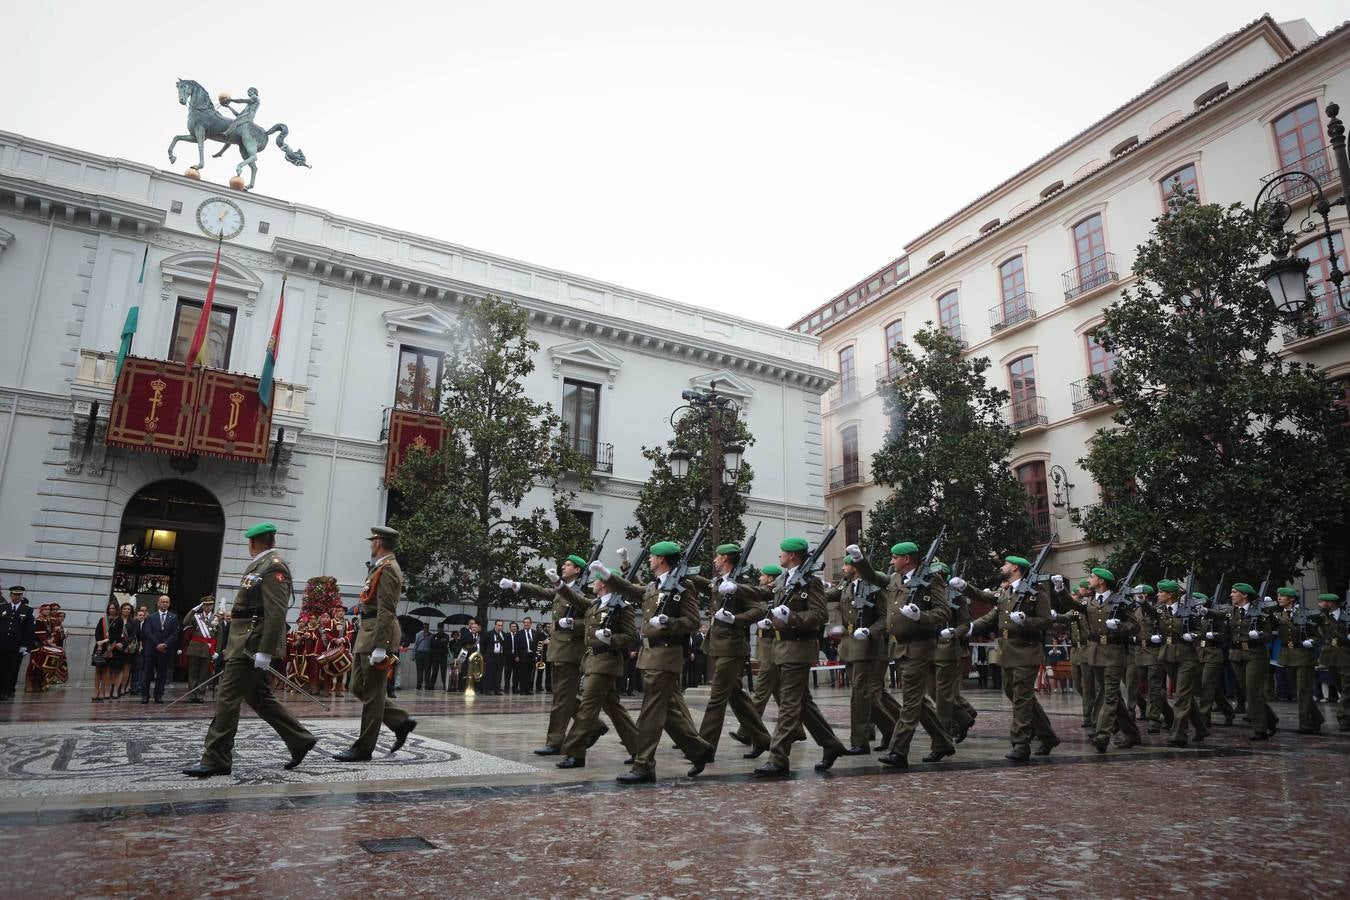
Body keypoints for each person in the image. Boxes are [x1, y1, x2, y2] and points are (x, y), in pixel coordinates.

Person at [183, 523, 318, 778]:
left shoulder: (273, 566)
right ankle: (299, 739)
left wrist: (265, 651)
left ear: (253, 543)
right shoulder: (261, 565)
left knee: (227, 698)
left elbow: (276, 611)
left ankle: (216, 758)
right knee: (259, 698)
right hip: (244, 640)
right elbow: (251, 607)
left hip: (250, 645)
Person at [599, 540, 714, 783]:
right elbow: (633, 591)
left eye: (652, 556)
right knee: (669, 712)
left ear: (661, 559)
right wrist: (608, 575)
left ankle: (644, 766)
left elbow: (693, 621)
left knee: (651, 711)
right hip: (650, 657)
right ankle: (699, 750)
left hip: (666, 657)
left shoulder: (684, 586)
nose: (649, 559)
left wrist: (668, 623)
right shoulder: (655, 585)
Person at [742, 537, 846, 777]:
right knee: (803, 705)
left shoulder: (810, 583)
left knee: (788, 705)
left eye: (783, 552)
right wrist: (735, 587)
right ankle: (832, 745)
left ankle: (778, 758)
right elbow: (762, 591)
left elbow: (819, 615)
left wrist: (791, 617)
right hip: (781, 649)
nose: (779, 555)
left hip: (798, 650)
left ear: (793, 556)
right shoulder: (783, 579)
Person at [849, 541, 954, 769]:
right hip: (901, 647)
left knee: (910, 702)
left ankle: (898, 751)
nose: (891, 561)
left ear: (906, 559)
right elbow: (874, 577)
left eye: (894, 557)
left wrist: (921, 617)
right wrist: (859, 560)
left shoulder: (930, 580)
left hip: (919, 646)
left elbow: (944, 611)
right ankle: (943, 742)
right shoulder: (896, 579)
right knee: (917, 701)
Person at [959, 555, 1059, 762]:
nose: (1002, 567)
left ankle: (1021, 744)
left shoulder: (1036, 592)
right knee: (1015, 693)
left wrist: (1026, 621)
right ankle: (1047, 736)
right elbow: (985, 601)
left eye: (1005, 564)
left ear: (1014, 568)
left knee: (1022, 698)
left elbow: (1046, 622)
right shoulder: (1006, 591)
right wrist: (964, 588)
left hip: (1026, 650)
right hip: (1008, 651)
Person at [334, 526, 417, 761]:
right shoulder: (380, 566)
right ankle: (400, 721)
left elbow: (387, 609)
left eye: (373, 541)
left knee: (371, 694)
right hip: (367, 634)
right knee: (357, 687)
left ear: (378, 542)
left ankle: (363, 748)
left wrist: (381, 646)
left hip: (378, 636)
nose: (371, 544)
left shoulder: (388, 568)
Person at [688, 542, 772, 762]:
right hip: (718, 646)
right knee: (736, 696)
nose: (714, 560)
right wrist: (685, 571)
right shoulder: (720, 581)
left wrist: (736, 619)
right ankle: (761, 738)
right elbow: (707, 585)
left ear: (725, 558)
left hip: (732, 647)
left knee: (717, 697)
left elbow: (759, 609)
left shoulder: (739, 584)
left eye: (717, 556)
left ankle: (703, 748)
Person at [502, 555, 590, 753]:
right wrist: (516, 584)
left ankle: (554, 742)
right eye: (564, 564)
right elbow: (542, 591)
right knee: (563, 696)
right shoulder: (562, 590)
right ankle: (594, 726)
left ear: (578, 570)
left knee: (560, 699)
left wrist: (574, 625)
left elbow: (593, 621)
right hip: (557, 650)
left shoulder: (586, 592)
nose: (563, 566)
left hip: (571, 652)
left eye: (568, 565)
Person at [555, 569, 640, 769]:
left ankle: (575, 753)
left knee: (587, 707)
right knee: (614, 709)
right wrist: (558, 584)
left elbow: (631, 636)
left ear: (604, 584)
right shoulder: (596, 604)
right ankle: (639, 748)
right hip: (593, 661)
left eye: (596, 581)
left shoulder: (622, 607)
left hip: (607, 662)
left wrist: (611, 638)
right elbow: (575, 599)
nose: (592, 584)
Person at [1054, 567, 1140, 752]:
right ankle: (1132, 734)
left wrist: (1119, 626)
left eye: (1092, 577)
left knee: (1109, 696)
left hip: (1115, 653)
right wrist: (1060, 589)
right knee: (1113, 696)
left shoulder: (1120, 602)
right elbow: (1073, 605)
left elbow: (1135, 627)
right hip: (1095, 654)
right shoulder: (1090, 602)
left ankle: (1102, 735)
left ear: (1101, 581)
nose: (1089, 579)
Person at [1218, 582, 1276, 741]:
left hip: (1255, 654)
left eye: (1234, 592)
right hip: (1237, 654)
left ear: (1244, 595)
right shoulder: (1232, 611)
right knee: (1247, 690)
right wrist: (1204, 611)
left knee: (1253, 690)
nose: (1231, 595)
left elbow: (1268, 633)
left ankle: (1260, 729)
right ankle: (1271, 719)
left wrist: (1260, 635)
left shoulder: (1260, 611)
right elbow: (1219, 615)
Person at [1153, 580, 1207, 747]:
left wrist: (1194, 636)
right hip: (1168, 656)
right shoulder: (1160, 610)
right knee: (1185, 696)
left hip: (1187, 657)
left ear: (1170, 594)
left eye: (1161, 592)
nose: (1158, 594)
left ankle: (1178, 734)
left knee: (1181, 696)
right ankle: (1201, 728)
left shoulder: (1188, 611)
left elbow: (1202, 630)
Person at [1274, 587, 1323, 734]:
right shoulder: (1277, 614)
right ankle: (1317, 718)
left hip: (1303, 655)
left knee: (1303, 690)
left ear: (1292, 599)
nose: (1279, 598)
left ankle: (1305, 723)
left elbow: (1317, 636)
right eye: (1279, 596)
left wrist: (1311, 642)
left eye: (1282, 596)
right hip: (1287, 655)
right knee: (1299, 691)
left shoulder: (1305, 613)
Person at [1316, 593, 1349, 731]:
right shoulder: (1321, 617)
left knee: (1347, 688)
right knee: (1340, 687)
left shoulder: (1346, 616)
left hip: (1346, 655)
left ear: (1330, 603)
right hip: (1331, 657)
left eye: (1322, 602)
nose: (1319, 604)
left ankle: (1344, 718)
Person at [140, 594, 180, 705]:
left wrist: (165, 644)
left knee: (162, 675)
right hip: (151, 650)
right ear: (158, 603)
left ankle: (158, 695)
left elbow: (175, 634)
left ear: (169, 604)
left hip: (165, 651)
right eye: (162, 602)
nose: (164, 604)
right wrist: (157, 644)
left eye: (167, 602)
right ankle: (145, 695)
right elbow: (147, 632)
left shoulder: (174, 617)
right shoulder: (150, 617)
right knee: (147, 674)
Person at [0, 586, 36, 701]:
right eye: (15, 595)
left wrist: (25, 646)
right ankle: (2, 690)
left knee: (11, 669)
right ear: (10, 595)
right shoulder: (3, 607)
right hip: (2, 643)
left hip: (16, 645)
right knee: (1, 668)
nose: (17, 597)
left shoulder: (27, 610)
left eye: (19, 595)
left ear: (22, 596)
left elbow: (29, 629)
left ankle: (8, 690)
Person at [180, 597, 219, 702]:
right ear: (202, 606)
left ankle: (200, 696)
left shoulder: (217, 618)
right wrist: (193, 610)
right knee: (193, 674)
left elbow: (219, 636)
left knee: (203, 674)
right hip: (195, 648)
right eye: (206, 605)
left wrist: (217, 651)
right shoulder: (196, 616)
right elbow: (185, 622)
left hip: (208, 649)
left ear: (212, 606)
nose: (208, 607)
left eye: (210, 605)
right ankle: (192, 695)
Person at [91, 598, 121, 701]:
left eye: (113, 608)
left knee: (106, 670)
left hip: (110, 648)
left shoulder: (119, 620)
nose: (111, 610)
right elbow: (97, 632)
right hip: (100, 647)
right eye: (110, 608)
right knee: (98, 669)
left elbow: (116, 636)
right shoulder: (102, 620)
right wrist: (99, 642)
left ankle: (103, 690)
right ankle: (96, 690)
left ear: (116, 609)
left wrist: (104, 641)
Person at [111, 601, 136, 698]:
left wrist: (124, 644)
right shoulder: (116, 620)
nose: (126, 610)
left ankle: (121, 688)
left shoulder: (133, 622)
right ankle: (113, 687)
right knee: (114, 668)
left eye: (129, 609)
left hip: (126, 648)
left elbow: (133, 635)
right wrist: (116, 643)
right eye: (125, 608)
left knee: (125, 669)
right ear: (121, 610)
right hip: (115, 647)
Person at [483, 620, 509, 695]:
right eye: (498, 625)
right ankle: (487, 689)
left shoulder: (504, 635)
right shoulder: (489, 634)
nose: (500, 627)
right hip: (491, 656)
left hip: (500, 656)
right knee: (489, 673)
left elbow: (505, 646)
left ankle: (497, 689)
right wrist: (485, 656)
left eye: (501, 625)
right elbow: (484, 646)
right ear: (495, 625)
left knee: (498, 674)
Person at [515, 617, 539, 694]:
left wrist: (536, 655)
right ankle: (522, 689)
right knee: (522, 673)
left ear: (531, 623)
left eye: (527, 622)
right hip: (523, 656)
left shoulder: (535, 633)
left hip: (532, 656)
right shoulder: (519, 633)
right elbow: (516, 645)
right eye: (524, 622)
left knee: (530, 674)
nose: (526, 624)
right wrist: (517, 656)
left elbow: (537, 645)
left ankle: (528, 689)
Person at [430, 623, 451, 690]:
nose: (440, 629)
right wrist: (440, 642)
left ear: (443, 628)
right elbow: (432, 644)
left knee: (443, 672)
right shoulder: (434, 636)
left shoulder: (446, 636)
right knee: (434, 672)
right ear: (437, 628)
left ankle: (445, 685)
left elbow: (445, 643)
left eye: (441, 628)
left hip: (443, 656)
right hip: (435, 656)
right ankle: (431, 685)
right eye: (439, 628)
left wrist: (438, 642)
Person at [412, 625, 432, 690]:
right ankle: (418, 685)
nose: (425, 628)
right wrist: (413, 655)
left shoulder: (431, 635)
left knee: (427, 670)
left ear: (428, 628)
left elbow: (432, 644)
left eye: (427, 627)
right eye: (424, 627)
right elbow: (416, 644)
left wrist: (427, 637)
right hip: (419, 653)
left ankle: (427, 685)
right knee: (419, 670)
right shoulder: (419, 634)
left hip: (427, 654)